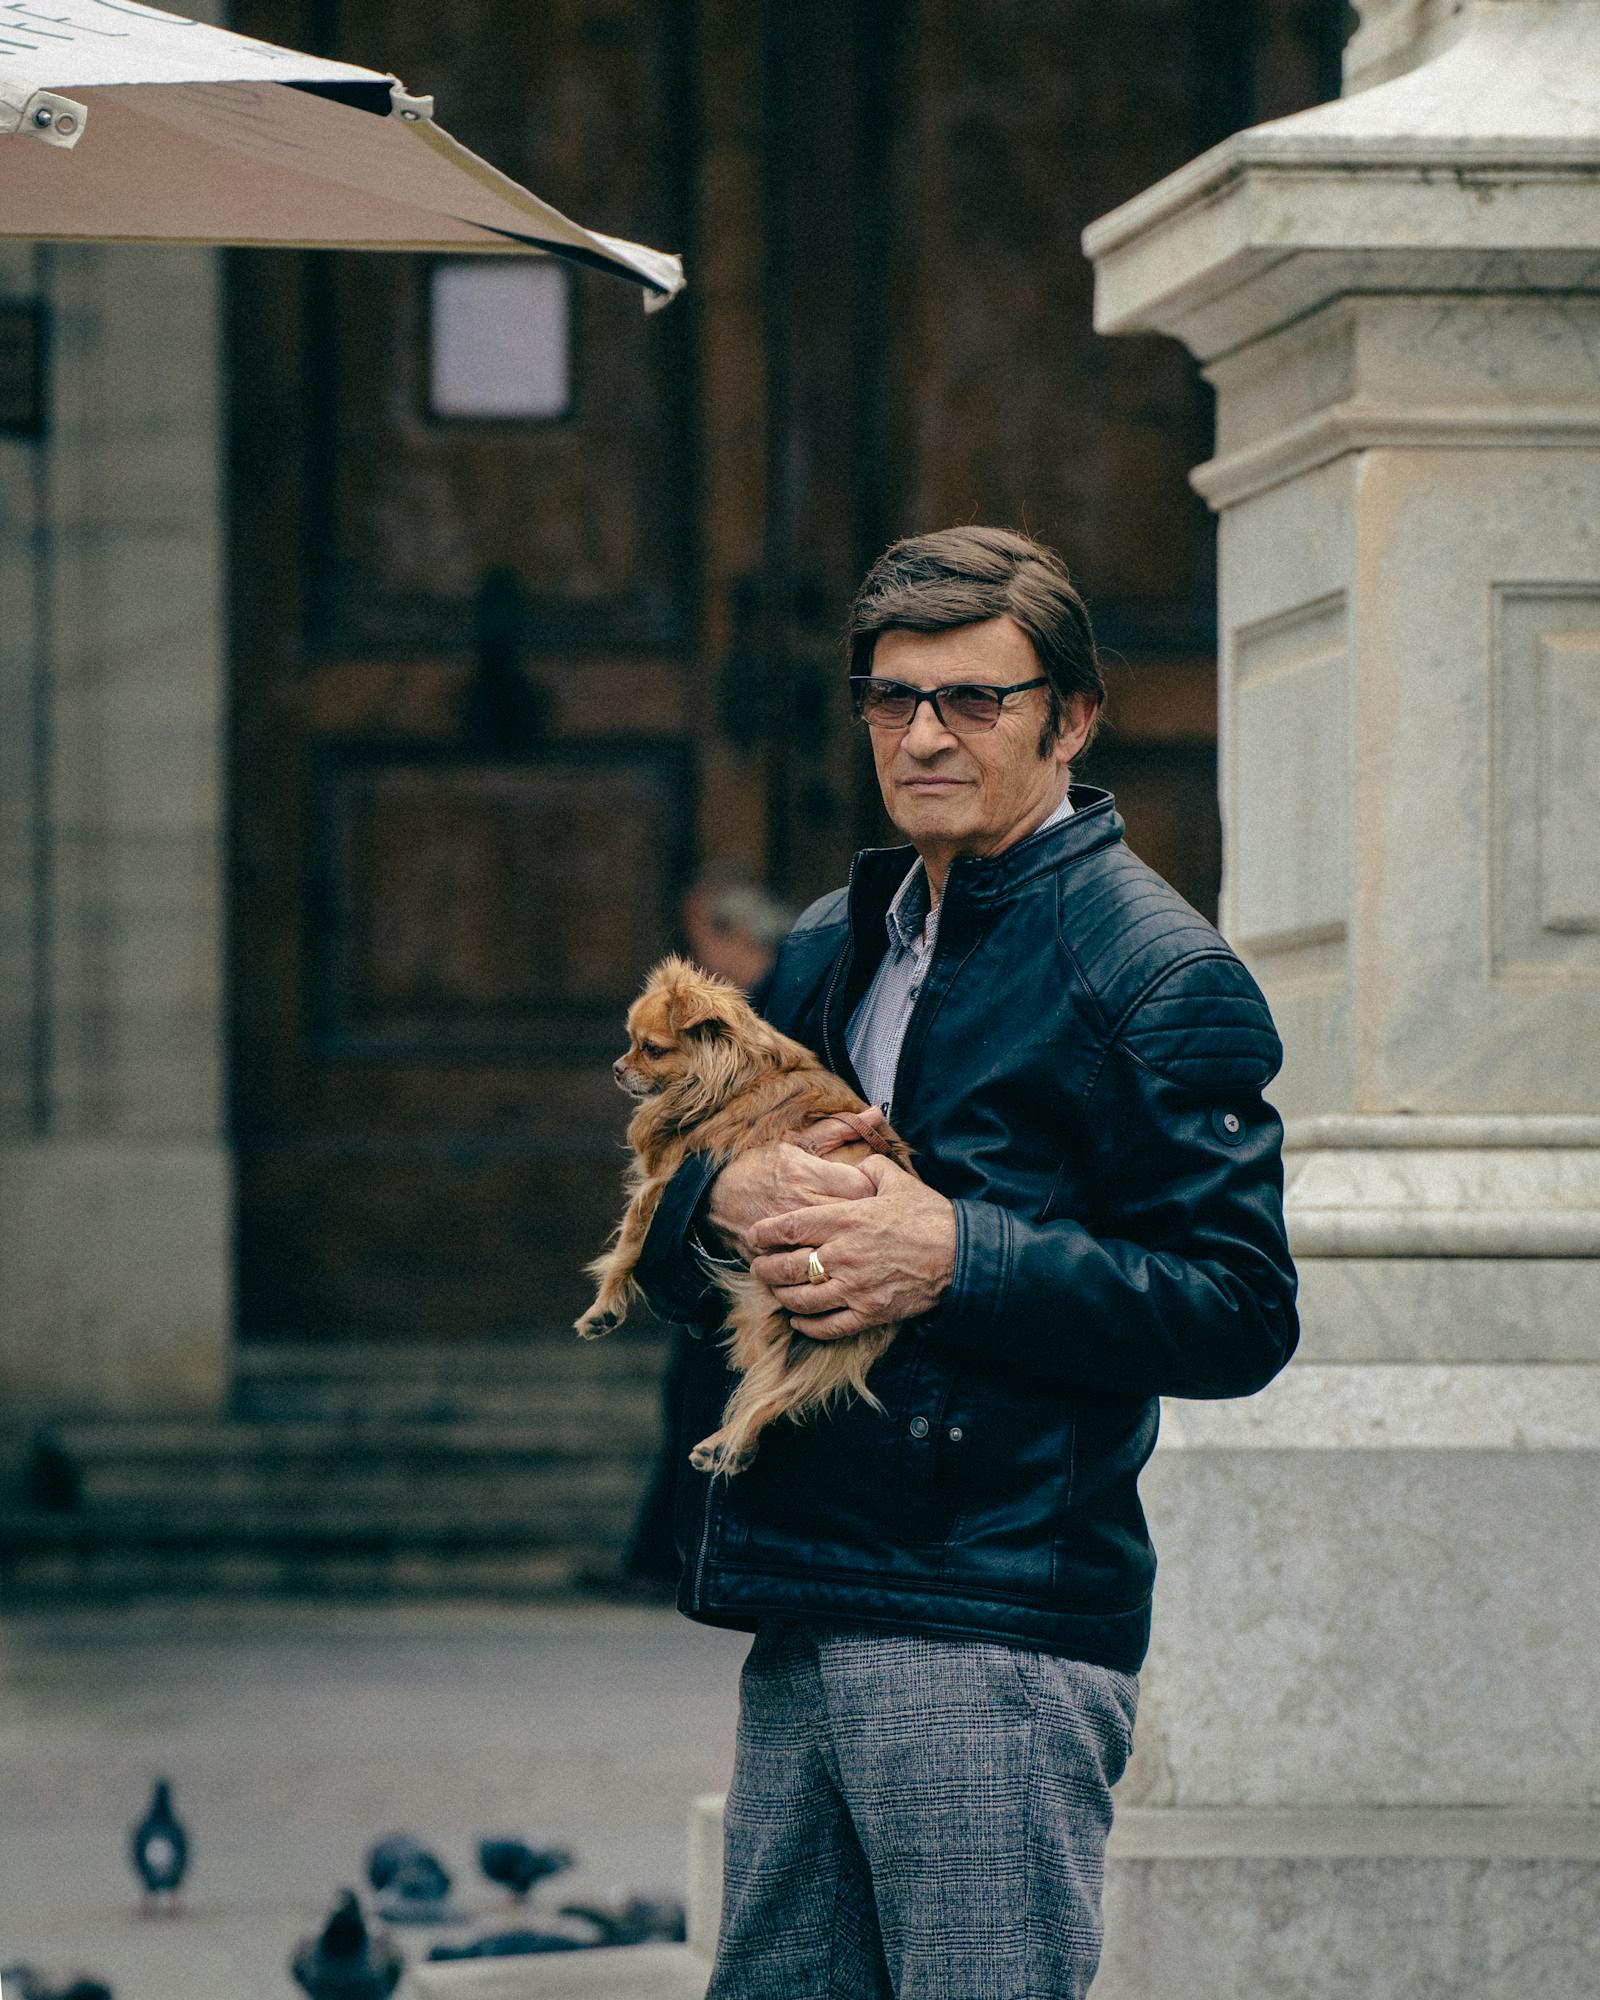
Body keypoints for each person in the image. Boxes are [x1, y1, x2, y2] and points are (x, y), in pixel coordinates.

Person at [633, 526, 1299, 1999]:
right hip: (807, 1587)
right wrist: (723, 1197)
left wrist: (956, 1255)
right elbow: (685, 1215)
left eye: (972, 700)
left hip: (992, 1624)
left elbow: (1241, 1310)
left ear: (1068, 719)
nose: (923, 733)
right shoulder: (828, 946)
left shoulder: (1159, 974)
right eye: (891, 697)